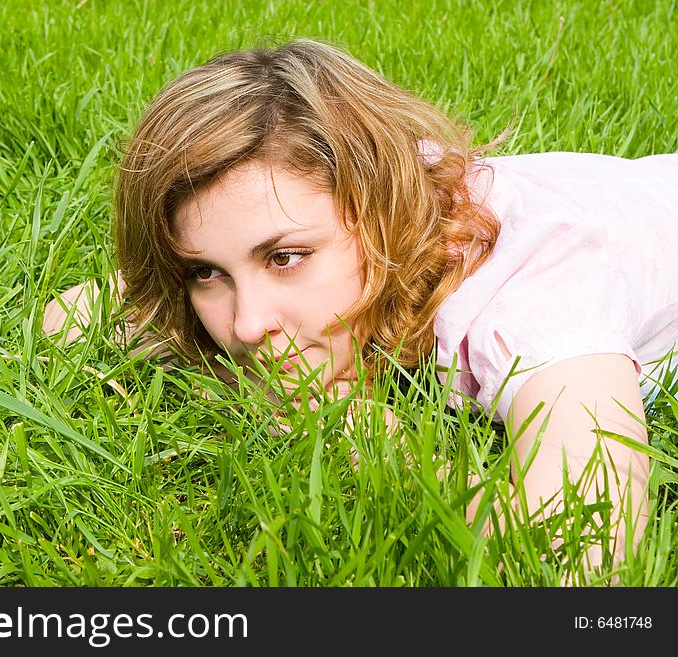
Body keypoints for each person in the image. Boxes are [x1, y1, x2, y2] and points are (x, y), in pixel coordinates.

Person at [42, 38, 677, 573]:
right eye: (206, 271)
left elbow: (585, 553)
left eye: (285, 258)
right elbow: (65, 317)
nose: (245, 324)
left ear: (384, 217)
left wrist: (382, 445)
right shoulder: (354, 186)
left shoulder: (542, 288)